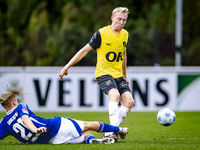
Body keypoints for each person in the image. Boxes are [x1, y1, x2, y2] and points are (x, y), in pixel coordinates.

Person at [59, 7, 134, 141]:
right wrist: (67, 66)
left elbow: (123, 54)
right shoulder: (101, 34)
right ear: (112, 18)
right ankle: (112, 132)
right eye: (119, 19)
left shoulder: (125, 34)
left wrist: (124, 75)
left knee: (129, 101)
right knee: (115, 95)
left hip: (118, 75)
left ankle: (113, 129)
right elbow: (84, 51)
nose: (121, 22)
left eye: (124, 20)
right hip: (103, 73)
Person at [0, 92, 128, 144]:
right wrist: (35, 129)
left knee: (85, 134)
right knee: (88, 125)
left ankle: (93, 141)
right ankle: (119, 129)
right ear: (13, 102)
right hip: (57, 125)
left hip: (53, 141)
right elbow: (25, 119)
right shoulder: (20, 106)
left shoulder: (4, 123)